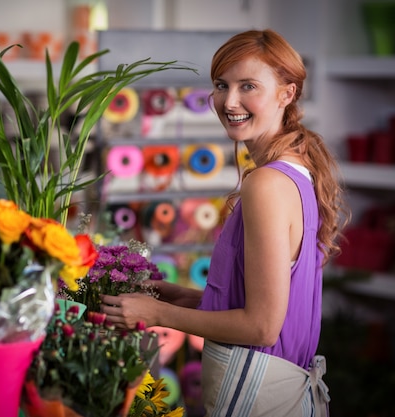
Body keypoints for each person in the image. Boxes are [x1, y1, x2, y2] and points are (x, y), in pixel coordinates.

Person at [101, 29, 350, 416]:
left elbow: (263, 328)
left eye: (248, 86)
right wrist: (178, 296)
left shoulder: (266, 184)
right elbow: (269, 310)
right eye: (221, 85)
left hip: (257, 394)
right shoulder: (297, 171)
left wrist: (156, 315)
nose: (229, 101)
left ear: (288, 92)